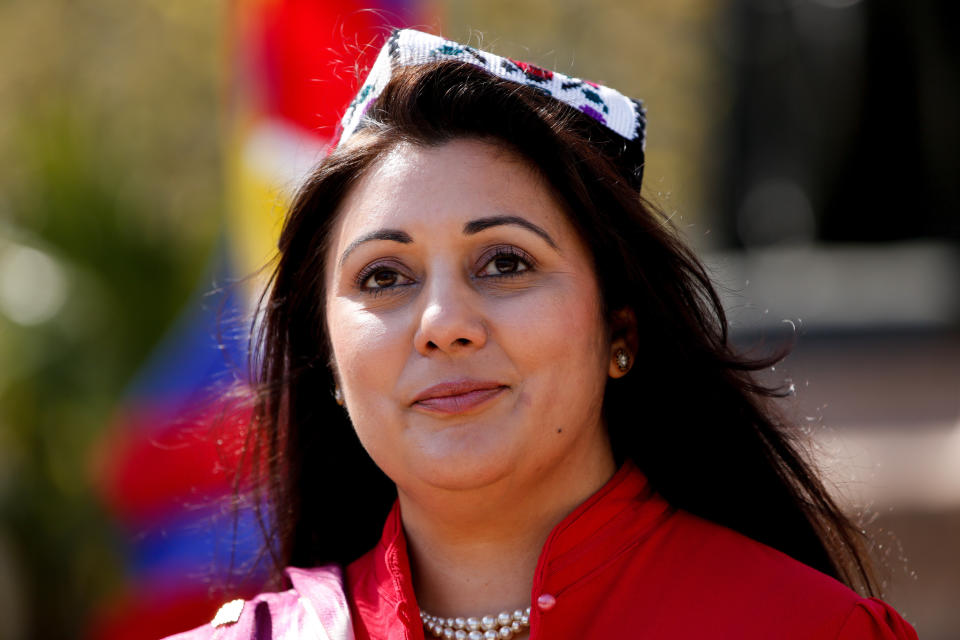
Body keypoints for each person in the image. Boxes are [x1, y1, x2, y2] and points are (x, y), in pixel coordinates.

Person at [167, 29, 918, 639]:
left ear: (620, 327)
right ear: (329, 360)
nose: (443, 326)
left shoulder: (806, 629)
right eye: (384, 277)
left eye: (504, 262)